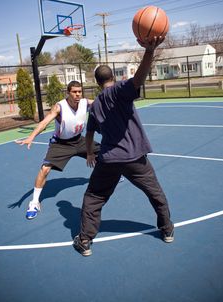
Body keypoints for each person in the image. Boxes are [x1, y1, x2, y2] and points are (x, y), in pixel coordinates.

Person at [73, 37, 174, 256]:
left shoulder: (96, 104)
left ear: (97, 81)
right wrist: (149, 51)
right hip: (134, 158)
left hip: (108, 160)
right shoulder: (119, 90)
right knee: (155, 193)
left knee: (94, 197)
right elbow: (139, 77)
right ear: (113, 77)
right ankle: (166, 229)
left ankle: (85, 239)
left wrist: (90, 152)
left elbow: (88, 132)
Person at [16, 81, 101, 219]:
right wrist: (31, 136)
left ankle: (111, 172)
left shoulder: (85, 102)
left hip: (79, 140)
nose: (77, 94)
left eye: (79, 91)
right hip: (61, 144)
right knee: (45, 169)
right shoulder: (59, 107)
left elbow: (101, 101)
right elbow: (44, 123)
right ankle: (34, 202)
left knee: (104, 152)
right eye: (74, 92)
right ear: (68, 92)